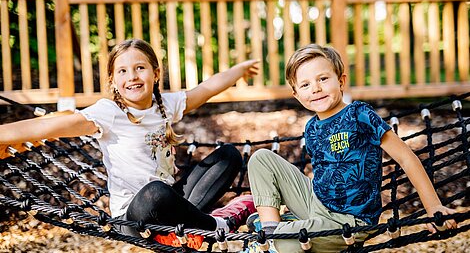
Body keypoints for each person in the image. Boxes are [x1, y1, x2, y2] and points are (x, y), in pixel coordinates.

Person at [0, 39, 258, 249]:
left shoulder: (165, 105)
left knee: (228, 155)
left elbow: (207, 89)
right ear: (113, 80)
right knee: (155, 191)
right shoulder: (108, 113)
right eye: (122, 71)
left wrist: (240, 69)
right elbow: (46, 126)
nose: (132, 76)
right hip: (134, 216)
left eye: (140, 68)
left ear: (156, 74)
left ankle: (183, 228)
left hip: (171, 200)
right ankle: (215, 226)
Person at [246, 44, 457, 252]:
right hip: (316, 203)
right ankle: (270, 233)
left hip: (349, 221)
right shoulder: (311, 128)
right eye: (305, 85)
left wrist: (433, 207)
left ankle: (278, 238)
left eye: (323, 79)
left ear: (341, 81)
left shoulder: (359, 115)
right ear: (296, 95)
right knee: (261, 158)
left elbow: (406, 158)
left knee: (289, 243)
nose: (316, 89)